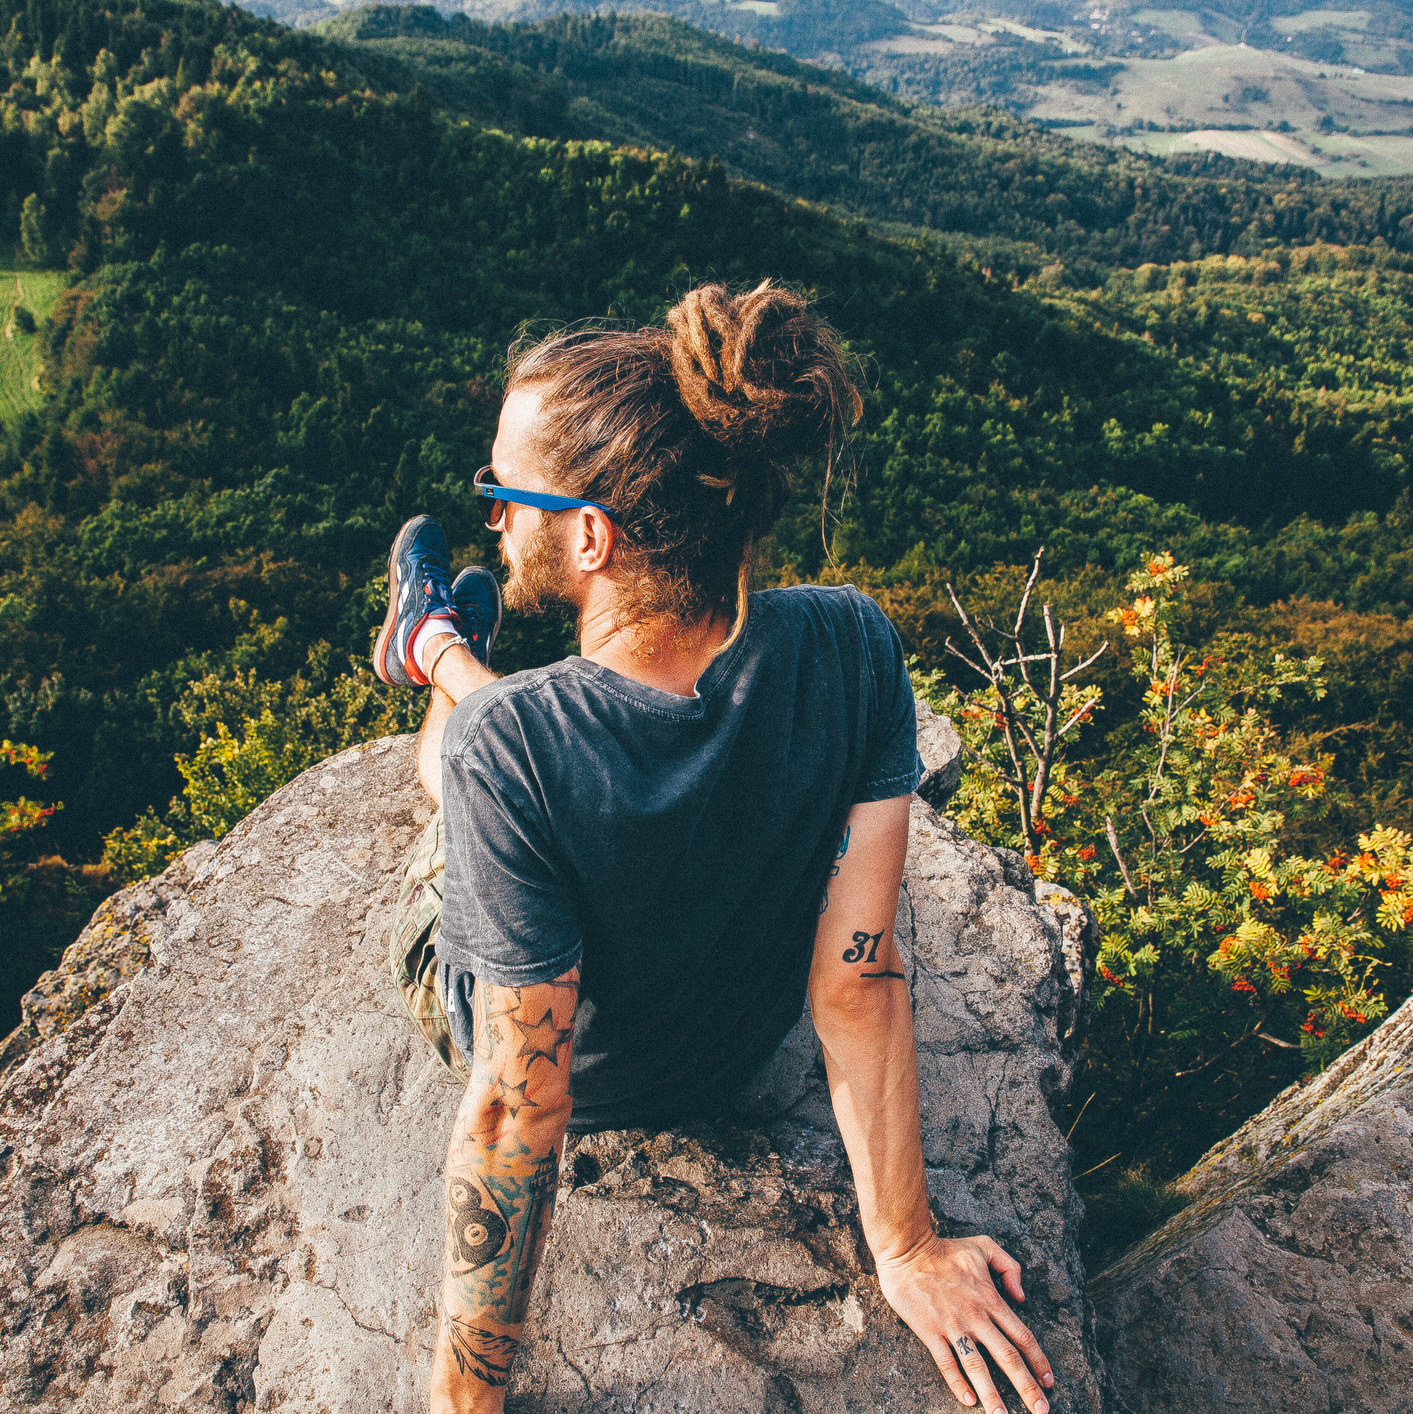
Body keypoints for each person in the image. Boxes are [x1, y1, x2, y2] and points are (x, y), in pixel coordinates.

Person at [372, 281, 1054, 1414]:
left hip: (587, 1081)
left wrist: (463, 1405)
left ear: (589, 535)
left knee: (439, 776)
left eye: (503, 495)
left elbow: (516, 1109)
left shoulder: (514, 748)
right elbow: (861, 973)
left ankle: (435, 646)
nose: (494, 514)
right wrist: (905, 1244)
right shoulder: (852, 644)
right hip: (736, 1049)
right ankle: (440, 645)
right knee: (491, 752)